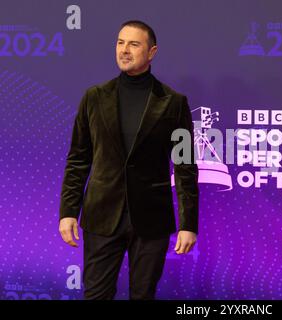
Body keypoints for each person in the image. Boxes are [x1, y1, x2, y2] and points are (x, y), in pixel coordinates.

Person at [58, 20, 199, 300]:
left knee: (143, 295)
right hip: (101, 215)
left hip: (151, 220)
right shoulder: (94, 98)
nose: (124, 50)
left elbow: (185, 167)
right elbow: (78, 158)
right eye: (120, 43)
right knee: (96, 295)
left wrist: (188, 224)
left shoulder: (173, 103)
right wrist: (68, 211)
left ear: (152, 52)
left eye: (134, 44)